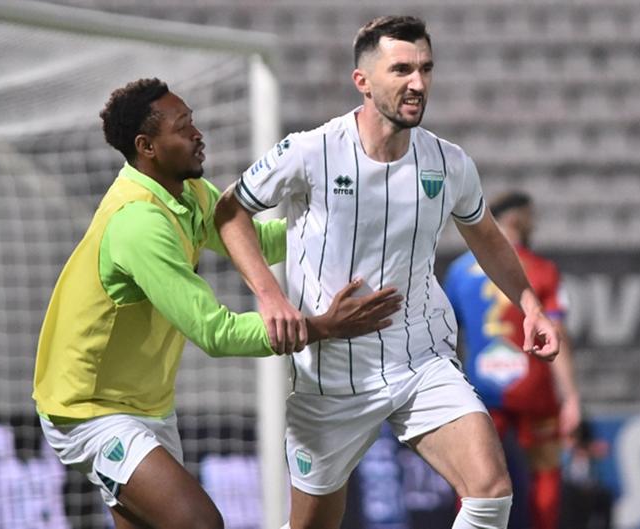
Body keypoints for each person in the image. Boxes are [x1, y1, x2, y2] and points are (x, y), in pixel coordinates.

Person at [214, 17, 560, 529]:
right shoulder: (311, 151)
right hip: (331, 374)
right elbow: (229, 211)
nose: (417, 83)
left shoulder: (449, 163)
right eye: (401, 70)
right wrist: (271, 297)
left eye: (425, 69)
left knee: (490, 493)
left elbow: (486, 234)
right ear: (363, 81)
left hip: (421, 357)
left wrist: (529, 304)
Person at [32, 78, 402, 529]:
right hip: (88, 408)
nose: (197, 134)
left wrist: (338, 225)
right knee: (201, 523)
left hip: (149, 405)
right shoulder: (139, 223)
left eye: (193, 121)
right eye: (182, 127)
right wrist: (322, 326)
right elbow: (214, 331)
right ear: (147, 147)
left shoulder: (187, 193)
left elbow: (254, 241)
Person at [443, 191, 582, 529]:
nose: (535, 224)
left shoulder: (459, 271)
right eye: (531, 217)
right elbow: (556, 333)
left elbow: (446, 332)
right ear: (517, 219)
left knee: (475, 475)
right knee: (545, 471)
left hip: (481, 389)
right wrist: (571, 397)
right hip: (533, 388)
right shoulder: (543, 270)